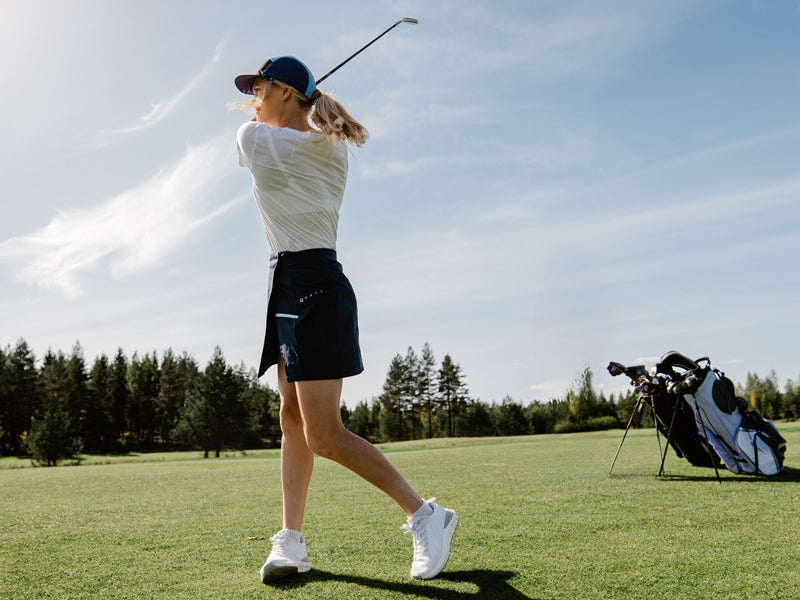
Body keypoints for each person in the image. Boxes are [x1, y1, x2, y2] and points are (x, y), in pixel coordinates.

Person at [233, 56, 458, 583]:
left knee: (324, 434)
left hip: (311, 285)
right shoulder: (323, 143)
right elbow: (276, 127)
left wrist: (269, 115)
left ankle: (427, 515)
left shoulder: (264, 140)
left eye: (260, 89)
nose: (253, 101)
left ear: (286, 92)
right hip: (289, 284)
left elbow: (247, 135)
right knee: (291, 419)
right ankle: (291, 541)